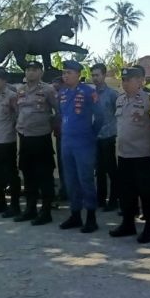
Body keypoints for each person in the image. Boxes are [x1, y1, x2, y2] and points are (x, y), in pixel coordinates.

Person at [109, 66, 150, 243]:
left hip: (143, 155)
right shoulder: (119, 100)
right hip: (124, 155)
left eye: (129, 80)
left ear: (140, 81)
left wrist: (145, 139)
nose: (125, 83)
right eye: (123, 80)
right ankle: (128, 224)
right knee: (126, 191)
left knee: (147, 192)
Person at [57, 61, 100, 233]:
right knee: (70, 180)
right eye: (64, 72)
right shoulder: (62, 93)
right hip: (67, 141)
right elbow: (61, 115)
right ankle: (75, 215)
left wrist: (91, 134)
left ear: (78, 74)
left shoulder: (89, 92)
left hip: (84, 142)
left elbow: (101, 116)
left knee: (86, 179)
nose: (65, 75)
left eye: (68, 72)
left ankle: (91, 217)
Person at [15, 61, 59, 225]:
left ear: (41, 72)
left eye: (34, 70)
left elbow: (58, 111)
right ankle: (30, 209)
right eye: (28, 69)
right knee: (28, 175)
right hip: (25, 139)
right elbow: (18, 112)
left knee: (45, 176)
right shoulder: (20, 90)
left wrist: (51, 125)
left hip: (41, 139)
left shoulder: (48, 90)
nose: (30, 73)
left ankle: (45, 211)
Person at [0, 67, 21, 216]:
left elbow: (19, 116)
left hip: (8, 139)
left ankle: (15, 206)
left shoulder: (12, 96)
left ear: (4, 80)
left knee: (11, 173)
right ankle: (0, 203)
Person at [91, 63, 120, 212]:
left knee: (111, 169)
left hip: (108, 136)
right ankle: (100, 199)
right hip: (96, 137)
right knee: (99, 170)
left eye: (97, 75)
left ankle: (114, 200)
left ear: (104, 75)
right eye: (93, 75)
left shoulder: (112, 94)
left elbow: (119, 113)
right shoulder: (91, 93)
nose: (95, 78)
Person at [51, 75, 68, 203]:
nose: (55, 87)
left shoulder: (68, 95)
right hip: (59, 134)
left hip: (69, 136)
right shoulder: (56, 96)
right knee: (62, 165)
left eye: (57, 84)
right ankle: (64, 190)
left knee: (69, 165)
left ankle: (70, 191)